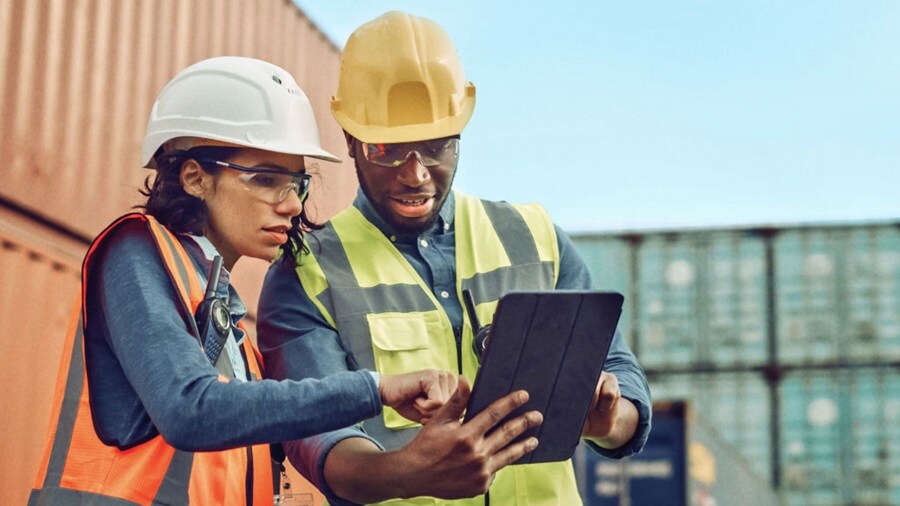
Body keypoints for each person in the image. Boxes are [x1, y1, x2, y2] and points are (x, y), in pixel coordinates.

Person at [27, 56, 534, 505]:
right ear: (194, 177)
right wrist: (376, 388)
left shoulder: (227, 326)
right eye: (266, 178)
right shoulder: (134, 250)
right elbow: (190, 410)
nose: (292, 204)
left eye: (298, 183)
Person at [258, 11, 652, 506]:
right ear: (351, 142)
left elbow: (623, 374)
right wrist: (407, 473)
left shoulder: (536, 239)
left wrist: (610, 420)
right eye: (388, 150)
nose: (416, 173)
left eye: (437, 145)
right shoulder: (306, 273)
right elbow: (315, 439)